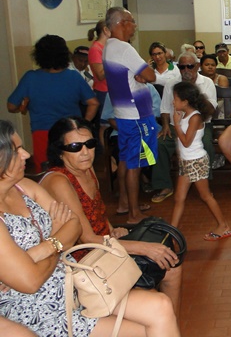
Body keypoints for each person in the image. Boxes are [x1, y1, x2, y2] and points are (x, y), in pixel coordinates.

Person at [0, 119, 180, 336]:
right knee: (154, 317)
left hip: (71, 285)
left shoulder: (24, 187)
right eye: (16, 150)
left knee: (161, 305)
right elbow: (31, 281)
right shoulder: (58, 180)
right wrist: (57, 240)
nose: (26, 154)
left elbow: (73, 224)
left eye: (90, 144)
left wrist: (42, 249)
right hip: (44, 307)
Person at [40, 116, 183, 316]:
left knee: (171, 266)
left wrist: (111, 228)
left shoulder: (87, 170)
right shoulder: (59, 181)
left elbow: (96, 211)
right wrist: (144, 248)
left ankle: (169, 328)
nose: (85, 152)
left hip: (102, 247)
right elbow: (86, 238)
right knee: (152, 291)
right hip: (80, 260)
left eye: (89, 144)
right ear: (59, 151)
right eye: (75, 146)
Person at [7, 34, 99, 172]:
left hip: (42, 133)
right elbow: (94, 103)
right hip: (70, 132)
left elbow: (11, 106)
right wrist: (83, 123)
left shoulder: (30, 78)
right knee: (74, 171)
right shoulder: (73, 77)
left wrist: (23, 106)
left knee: (46, 173)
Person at [102, 7, 157, 224]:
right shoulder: (124, 49)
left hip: (124, 114)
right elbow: (150, 74)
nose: (135, 26)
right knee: (135, 164)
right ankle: (134, 214)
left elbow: (138, 75)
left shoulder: (109, 47)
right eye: (132, 22)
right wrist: (141, 75)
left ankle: (125, 202)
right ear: (122, 23)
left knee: (125, 160)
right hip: (136, 115)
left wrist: (138, 75)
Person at [151, 50, 217, 204]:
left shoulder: (206, 83)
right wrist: (166, 125)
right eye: (182, 67)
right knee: (160, 143)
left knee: (206, 143)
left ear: (197, 66)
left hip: (200, 125)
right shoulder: (171, 83)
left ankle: (203, 182)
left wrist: (193, 91)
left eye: (190, 66)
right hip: (176, 125)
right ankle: (164, 185)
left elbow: (210, 110)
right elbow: (165, 109)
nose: (186, 70)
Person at [170, 82, 231, 241]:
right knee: (179, 197)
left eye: (175, 99)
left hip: (196, 162)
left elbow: (186, 142)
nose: (173, 102)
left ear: (185, 102)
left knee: (206, 196)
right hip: (187, 161)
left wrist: (175, 123)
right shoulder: (185, 114)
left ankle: (223, 226)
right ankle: (172, 231)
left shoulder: (195, 117)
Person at [87, 20, 110, 136]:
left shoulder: (107, 47)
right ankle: (104, 152)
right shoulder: (96, 48)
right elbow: (100, 75)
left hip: (111, 89)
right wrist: (111, 59)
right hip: (103, 91)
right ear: (106, 30)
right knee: (104, 126)